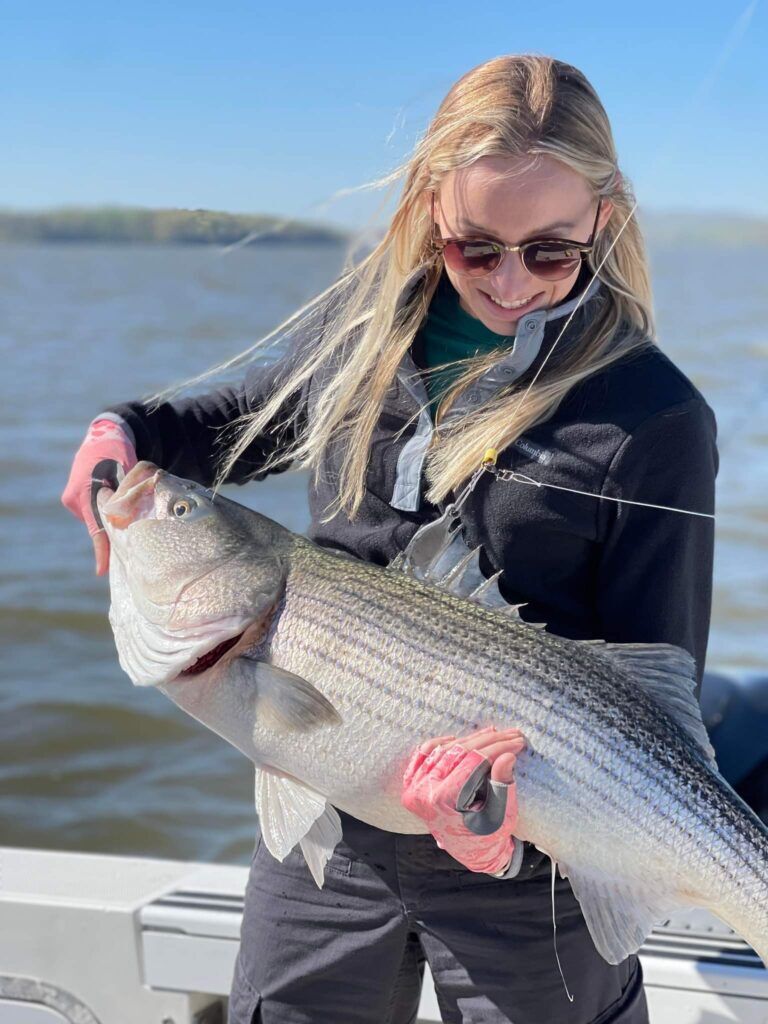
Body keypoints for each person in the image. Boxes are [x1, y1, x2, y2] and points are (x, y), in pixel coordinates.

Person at [62, 54, 717, 1024]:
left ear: (604, 221)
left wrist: (502, 827)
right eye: (473, 246)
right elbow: (223, 427)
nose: (509, 282)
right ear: (430, 211)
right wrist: (125, 432)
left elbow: (657, 705)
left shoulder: (656, 418)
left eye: (549, 250)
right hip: (323, 828)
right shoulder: (361, 331)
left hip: (534, 868)